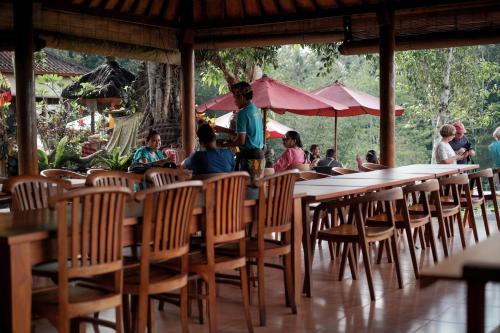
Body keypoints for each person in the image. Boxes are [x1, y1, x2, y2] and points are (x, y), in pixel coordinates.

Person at [221, 81, 265, 182]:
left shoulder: (242, 113)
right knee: (256, 189)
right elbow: (246, 134)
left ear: (241, 97)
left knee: (246, 190)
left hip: (249, 157)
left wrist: (224, 144)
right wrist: (222, 129)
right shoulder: (255, 109)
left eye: (235, 98)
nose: (235, 102)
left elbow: (241, 141)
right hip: (259, 155)